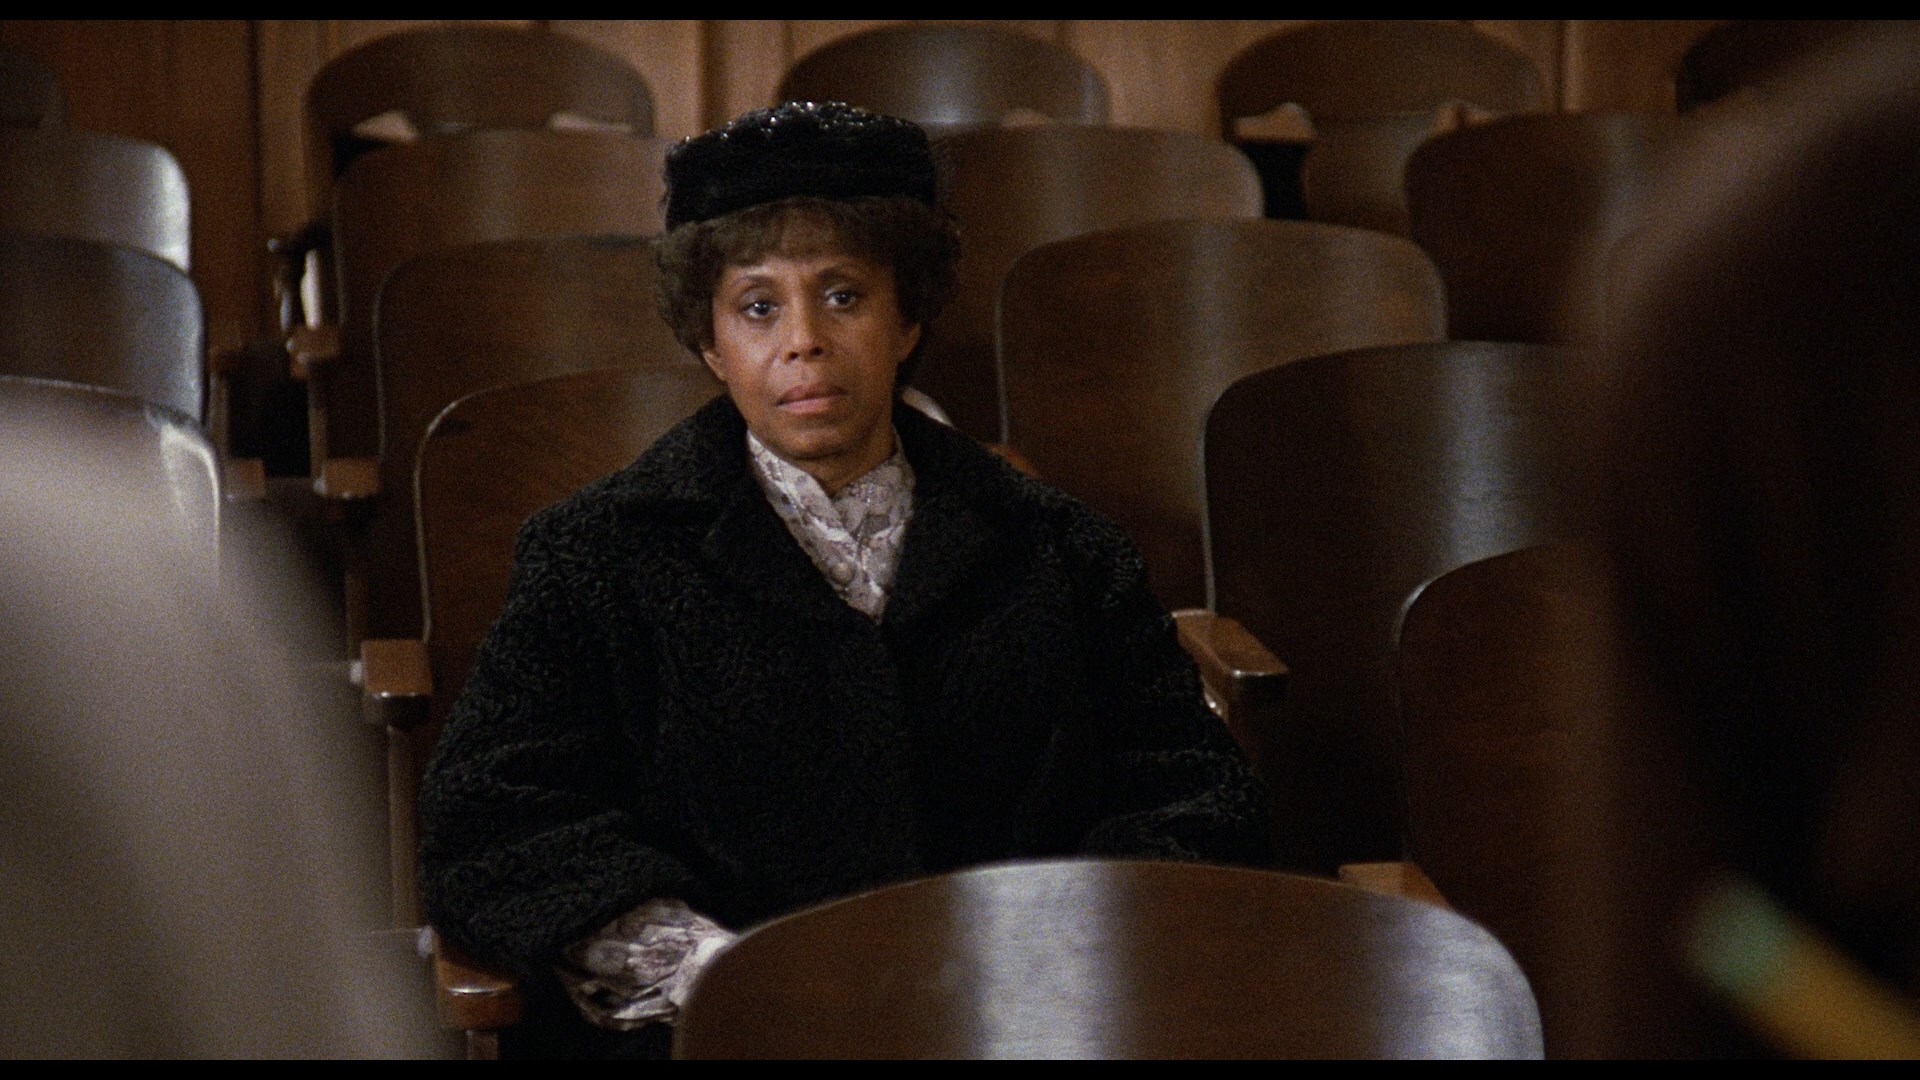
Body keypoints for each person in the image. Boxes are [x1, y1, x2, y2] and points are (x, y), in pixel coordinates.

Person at [416, 101, 1274, 1059]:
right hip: (719, 1034)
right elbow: (495, 819)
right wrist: (727, 974)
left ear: (907, 319)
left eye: (843, 296)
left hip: (1018, 1023)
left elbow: (1196, 801)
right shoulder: (595, 556)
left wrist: (1048, 951)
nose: (803, 341)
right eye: (757, 307)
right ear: (710, 343)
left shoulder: (1063, 549)